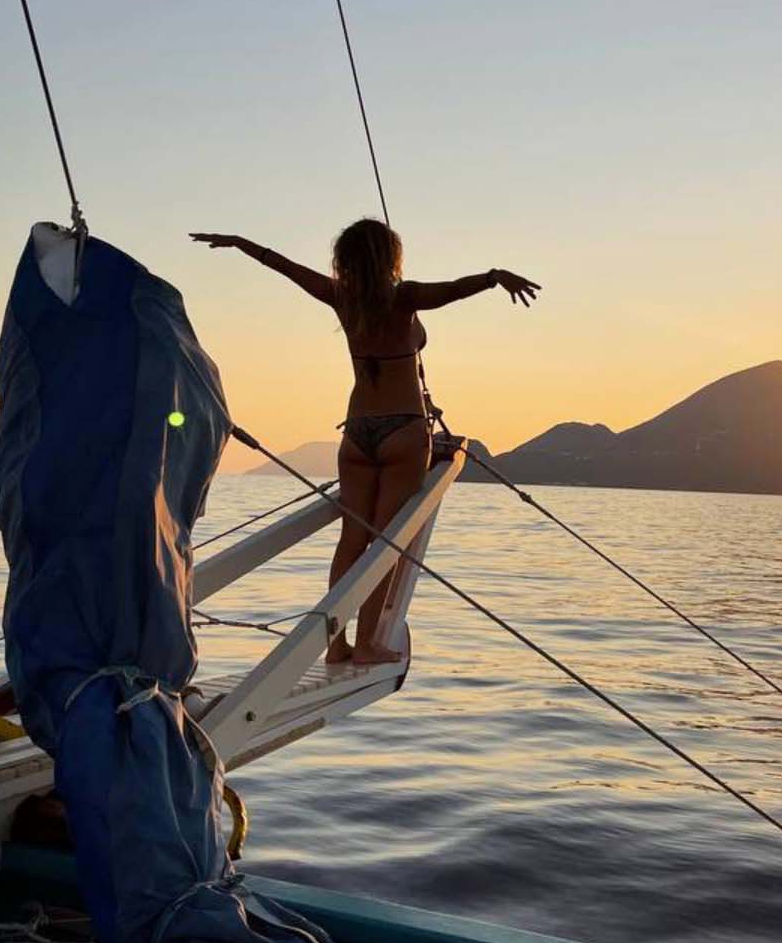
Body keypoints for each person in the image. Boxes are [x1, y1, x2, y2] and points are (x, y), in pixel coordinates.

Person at [191, 220, 538, 664]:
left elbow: (286, 268)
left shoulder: (342, 298)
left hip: (356, 434)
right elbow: (450, 290)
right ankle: (369, 644)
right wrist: (492, 278)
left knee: (352, 539)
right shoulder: (404, 296)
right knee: (387, 543)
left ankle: (335, 646)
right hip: (403, 432)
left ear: (346, 259)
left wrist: (240, 243)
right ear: (390, 256)